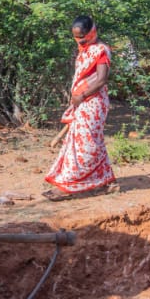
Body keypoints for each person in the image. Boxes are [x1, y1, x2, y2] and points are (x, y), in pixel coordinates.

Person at [43, 15, 116, 200]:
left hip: (93, 103)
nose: (80, 39)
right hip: (82, 103)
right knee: (93, 142)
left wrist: (82, 96)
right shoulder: (84, 50)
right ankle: (105, 183)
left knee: (84, 146)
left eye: (82, 35)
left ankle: (69, 185)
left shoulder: (101, 50)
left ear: (92, 31)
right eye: (76, 36)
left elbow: (101, 79)